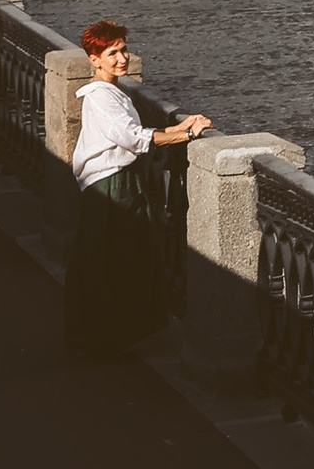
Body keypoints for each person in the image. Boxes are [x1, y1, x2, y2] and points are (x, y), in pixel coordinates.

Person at [65, 21, 211, 361]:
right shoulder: (101, 97)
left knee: (113, 258)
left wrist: (175, 128)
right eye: (112, 53)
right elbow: (132, 138)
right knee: (116, 260)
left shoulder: (110, 92)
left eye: (124, 50)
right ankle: (101, 340)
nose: (122, 59)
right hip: (113, 186)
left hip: (117, 183)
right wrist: (187, 135)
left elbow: (131, 131)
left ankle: (106, 338)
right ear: (94, 59)